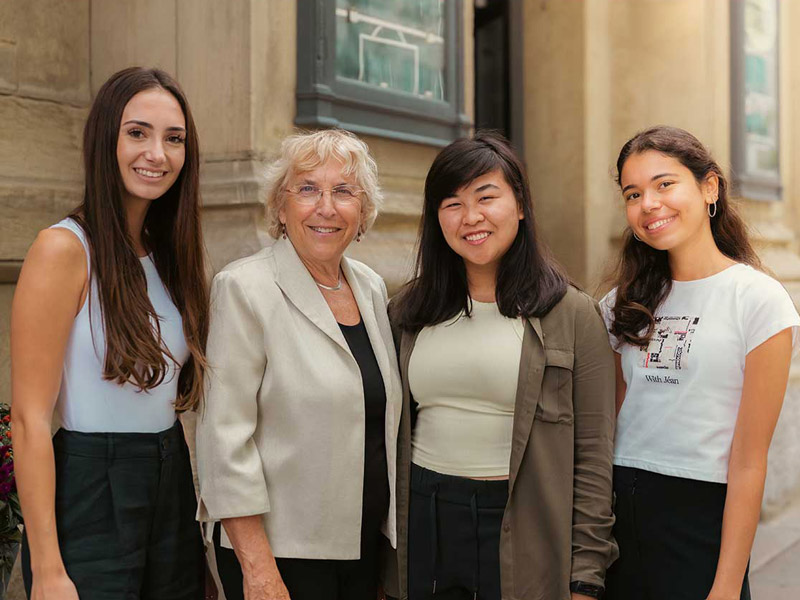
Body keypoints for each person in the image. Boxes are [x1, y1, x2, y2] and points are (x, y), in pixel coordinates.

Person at [389, 132, 617, 600]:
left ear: (519, 206)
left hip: (522, 525)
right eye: (452, 203)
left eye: (486, 197)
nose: (470, 217)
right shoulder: (408, 311)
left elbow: (594, 454)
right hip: (424, 519)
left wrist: (585, 577)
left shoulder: (573, 315)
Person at [11, 67, 208, 599]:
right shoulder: (63, 249)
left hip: (170, 481)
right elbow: (29, 421)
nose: (157, 154)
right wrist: (49, 569)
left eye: (174, 139)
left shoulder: (171, 255)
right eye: (137, 133)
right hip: (91, 489)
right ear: (105, 139)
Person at [195, 129, 402, 600]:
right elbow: (223, 441)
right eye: (308, 189)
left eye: (344, 191)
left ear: (363, 212)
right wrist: (258, 568)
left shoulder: (370, 287)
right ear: (280, 207)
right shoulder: (244, 288)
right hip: (279, 556)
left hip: (362, 548)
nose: (326, 207)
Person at [601, 126, 800, 600]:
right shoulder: (619, 305)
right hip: (617, 517)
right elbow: (608, 422)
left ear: (709, 187)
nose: (648, 204)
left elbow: (750, 462)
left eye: (664, 184)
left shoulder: (758, 300)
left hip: (701, 519)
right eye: (633, 193)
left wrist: (727, 586)